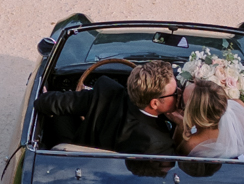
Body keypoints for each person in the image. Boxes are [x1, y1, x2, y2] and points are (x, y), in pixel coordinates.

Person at [35, 58, 180, 155]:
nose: (179, 93)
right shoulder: (159, 143)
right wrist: (182, 126)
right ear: (154, 103)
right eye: (175, 92)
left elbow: (50, 103)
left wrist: (46, 97)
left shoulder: (106, 94)